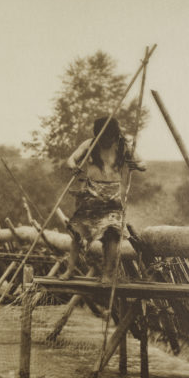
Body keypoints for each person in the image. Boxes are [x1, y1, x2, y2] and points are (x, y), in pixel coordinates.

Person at [59, 115, 146, 282]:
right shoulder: (90, 144)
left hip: (113, 195)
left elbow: (143, 163)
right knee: (77, 232)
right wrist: (73, 166)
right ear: (98, 134)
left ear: (114, 135)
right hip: (91, 193)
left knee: (112, 235)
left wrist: (138, 166)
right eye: (103, 137)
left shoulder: (124, 146)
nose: (106, 141)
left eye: (109, 137)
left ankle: (107, 274)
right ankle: (69, 270)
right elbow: (71, 159)